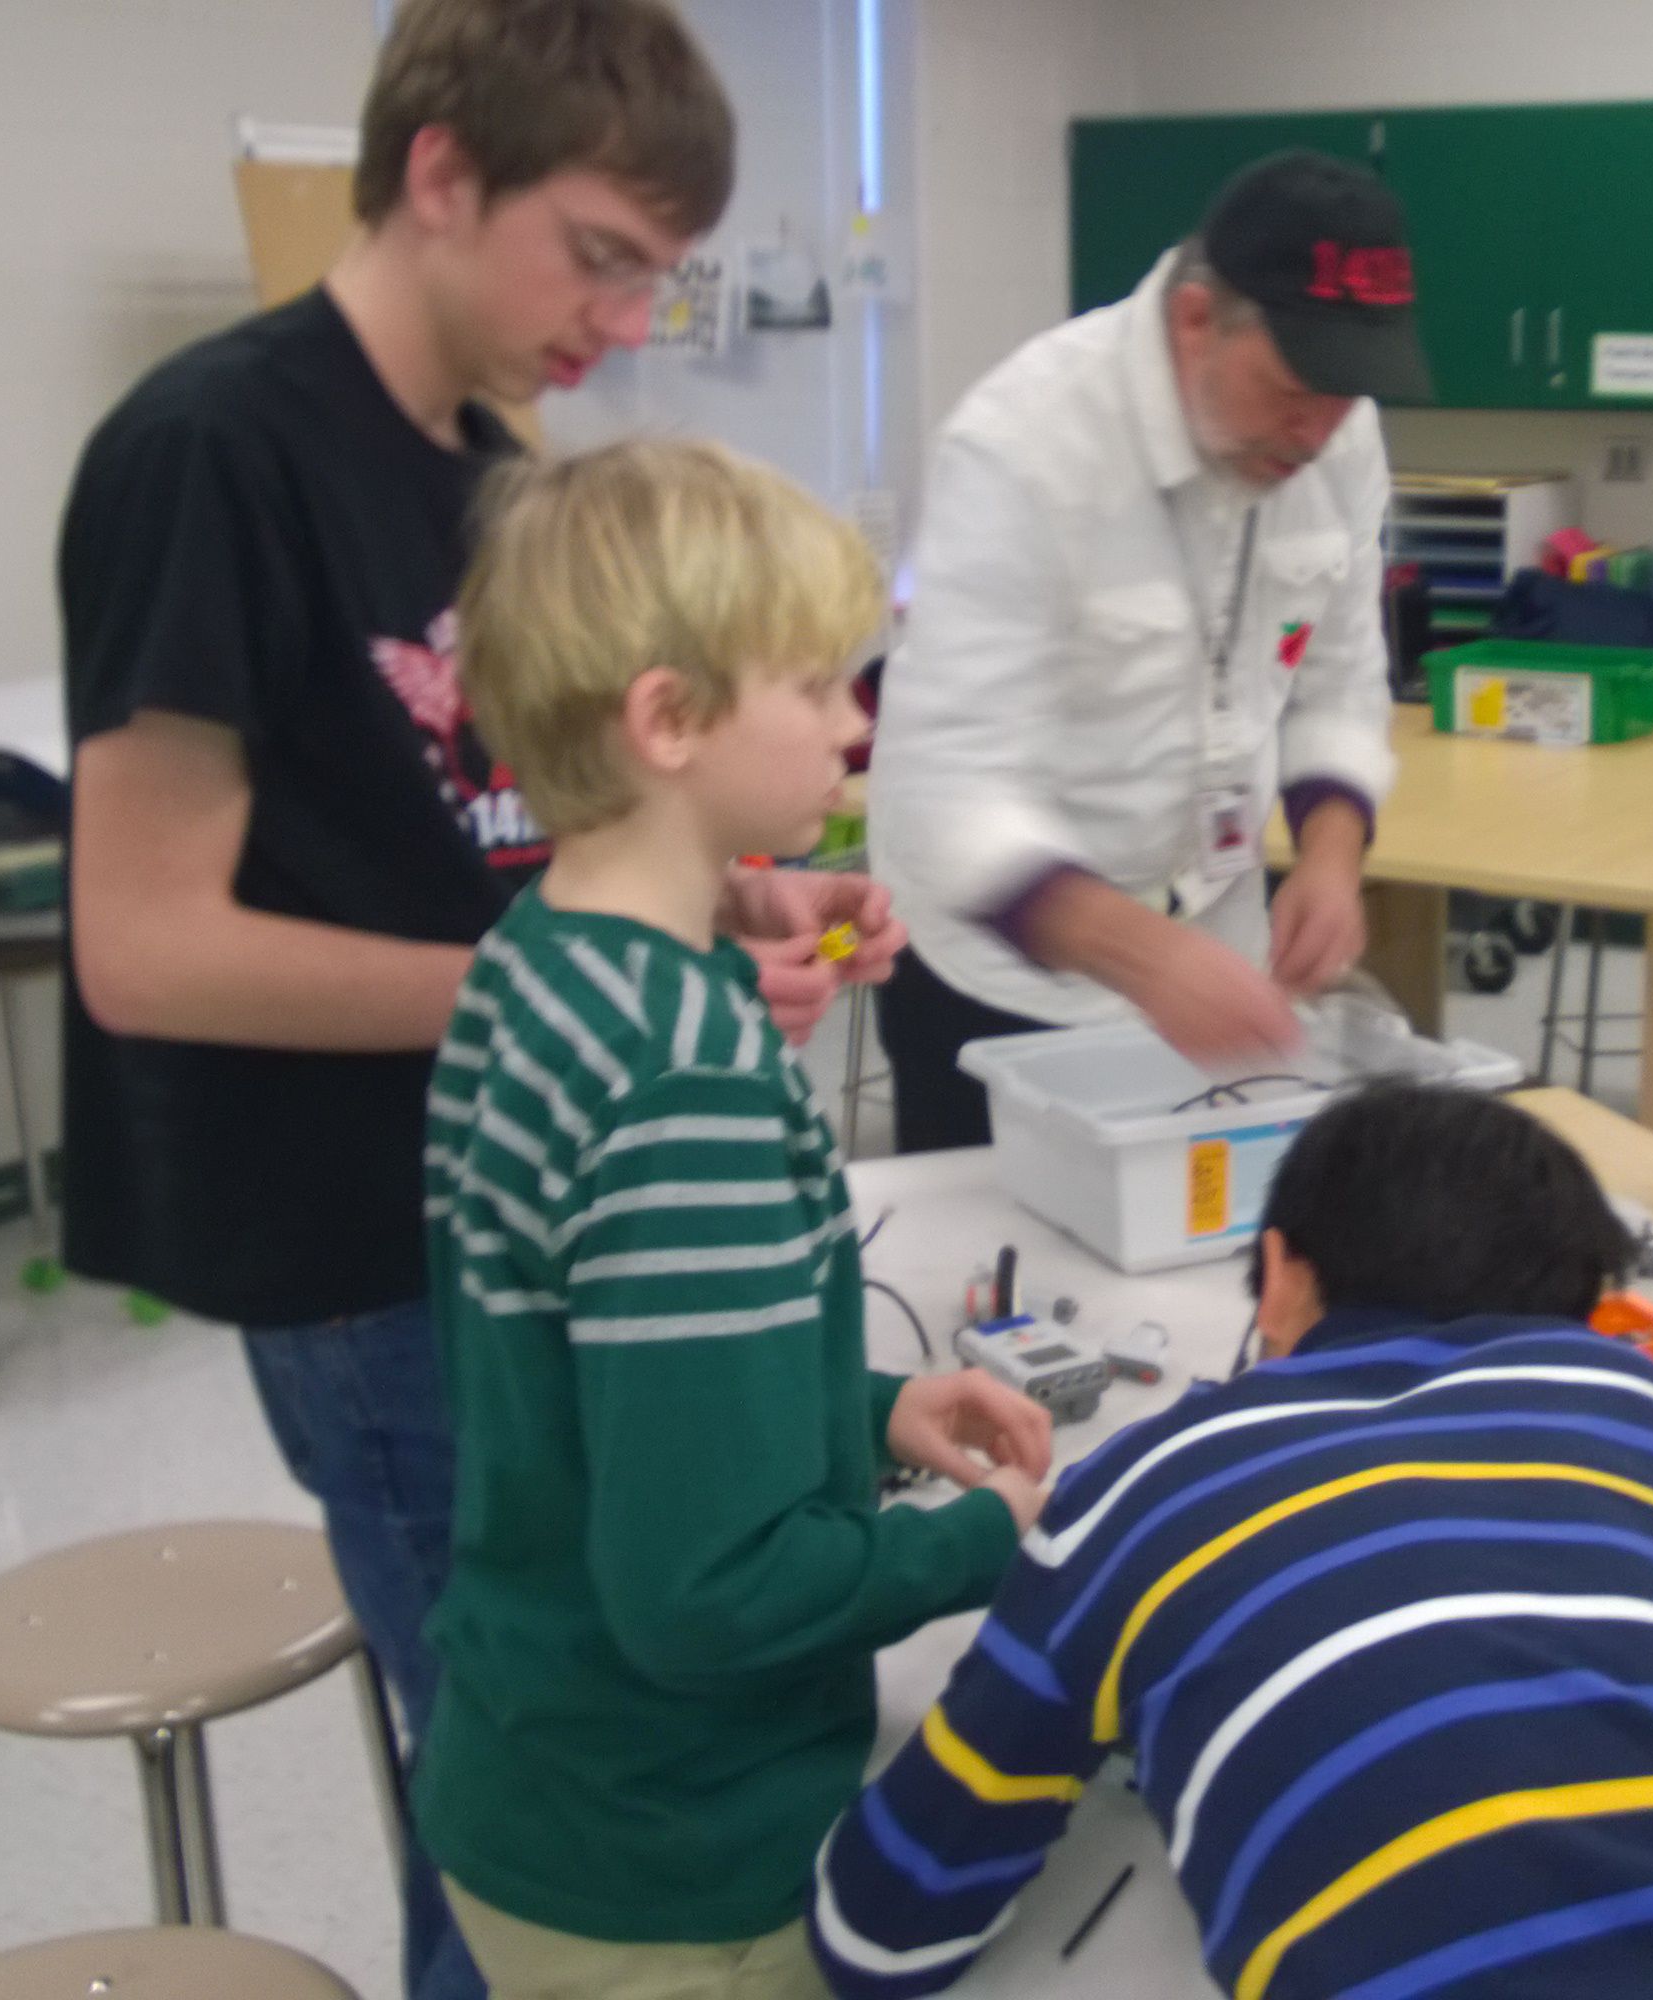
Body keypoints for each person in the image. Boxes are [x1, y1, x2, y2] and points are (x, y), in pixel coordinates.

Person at [53, 9, 885, 1993]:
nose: (623, 313)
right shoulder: (213, 451)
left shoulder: (493, 463)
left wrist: (729, 889)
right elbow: (146, 945)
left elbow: (530, 825)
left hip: (514, 1180)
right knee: (529, 1793)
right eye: (597, 252)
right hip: (364, 1238)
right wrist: (585, 990)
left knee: (572, 1713)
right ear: (441, 174)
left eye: (652, 272)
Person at [810, 1082, 1653, 2000]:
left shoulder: (1141, 1486)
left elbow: (882, 1929)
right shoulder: (1648, 1407)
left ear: (1283, 1268)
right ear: (1579, 1305)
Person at [416, 438, 1058, 1997]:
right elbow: (703, 1596)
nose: (857, 718)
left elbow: (615, 1392)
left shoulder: (536, 966)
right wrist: (993, 1542)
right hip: (676, 1872)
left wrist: (875, 1404)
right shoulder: (685, 1076)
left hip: (536, 1777)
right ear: (669, 721)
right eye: (821, 684)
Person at [867, 150, 1421, 1151]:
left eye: (1346, 396)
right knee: (999, 1290)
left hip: (1218, 952)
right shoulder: (1023, 445)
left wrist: (1333, 859)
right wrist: (1143, 957)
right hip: (1007, 973)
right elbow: (947, 791)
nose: (1318, 429)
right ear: (1198, 320)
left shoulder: (1337, 433)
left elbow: (1340, 675)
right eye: (1296, 389)